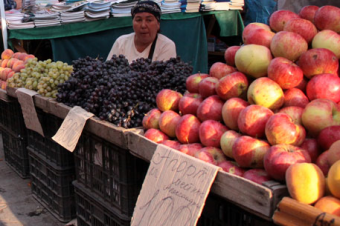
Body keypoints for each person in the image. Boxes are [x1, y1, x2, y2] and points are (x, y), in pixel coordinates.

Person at [106, 1, 177, 63]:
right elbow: (108, 71)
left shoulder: (166, 46)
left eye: (149, 20)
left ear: (158, 24)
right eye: (138, 20)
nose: (143, 25)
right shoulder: (121, 42)